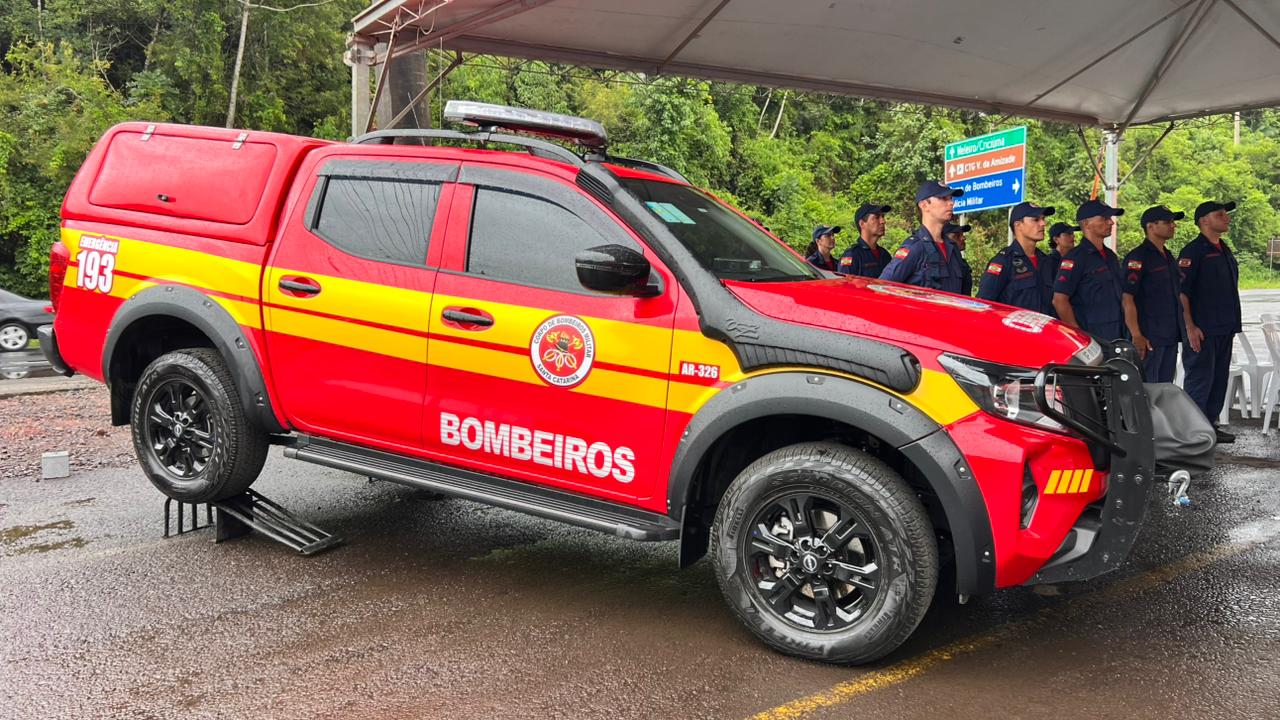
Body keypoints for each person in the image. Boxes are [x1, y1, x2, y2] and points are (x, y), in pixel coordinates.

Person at [1179, 200, 1242, 443]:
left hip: (1224, 326)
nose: (1226, 218)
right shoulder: (1193, 252)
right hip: (1203, 328)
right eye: (1220, 214)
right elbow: (1182, 292)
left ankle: (1209, 427)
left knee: (1218, 378)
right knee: (1200, 378)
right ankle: (1193, 432)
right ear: (1204, 220)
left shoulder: (1223, 248)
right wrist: (1190, 327)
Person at [1122, 206, 1185, 383]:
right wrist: (1136, 334)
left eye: (1173, 222)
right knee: (1148, 388)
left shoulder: (1168, 256)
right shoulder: (1138, 257)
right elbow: (1127, 298)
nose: (1173, 226)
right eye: (1167, 222)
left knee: (1165, 386)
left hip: (1169, 334)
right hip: (1149, 336)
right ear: (1150, 226)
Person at [1052, 199, 1126, 341]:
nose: (1111, 222)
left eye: (1110, 218)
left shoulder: (1110, 256)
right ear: (1086, 224)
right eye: (1104, 218)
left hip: (1118, 334)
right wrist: (1078, 334)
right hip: (1092, 336)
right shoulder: (1075, 258)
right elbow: (1059, 300)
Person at [880, 181, 967, 293]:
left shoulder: (952, 248)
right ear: (924, 205)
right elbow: (882, 287)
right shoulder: (914, 248)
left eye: (951, 198)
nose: (951, 203)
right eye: (944, 198)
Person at [976, 202, 1055, 313]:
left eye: (1043, 219)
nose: (1043, 223)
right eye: (1036, 220)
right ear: (1018, 225)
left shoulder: (1046, 261)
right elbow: (983, 305)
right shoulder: (1003, 261)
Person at [838, 202, 892, 278]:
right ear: (862, 224)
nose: (883, 221)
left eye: (883, 216)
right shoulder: (852, 255)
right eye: (876, 217)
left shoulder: (885, 255)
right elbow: (843, 286)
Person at [1042, 221, 1078, 317]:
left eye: (1073, 234)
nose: (1073, 237)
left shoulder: (1076, 260)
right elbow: (1050, 295)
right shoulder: (1049, 262)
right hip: (1056, 317)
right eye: (1068, 234)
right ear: (1056, 239)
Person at [942, 221, 974, 295]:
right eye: (957, 235)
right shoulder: (938, 260)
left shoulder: (962, 264)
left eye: (962, 234)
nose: (963, 238)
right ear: (945, 238)